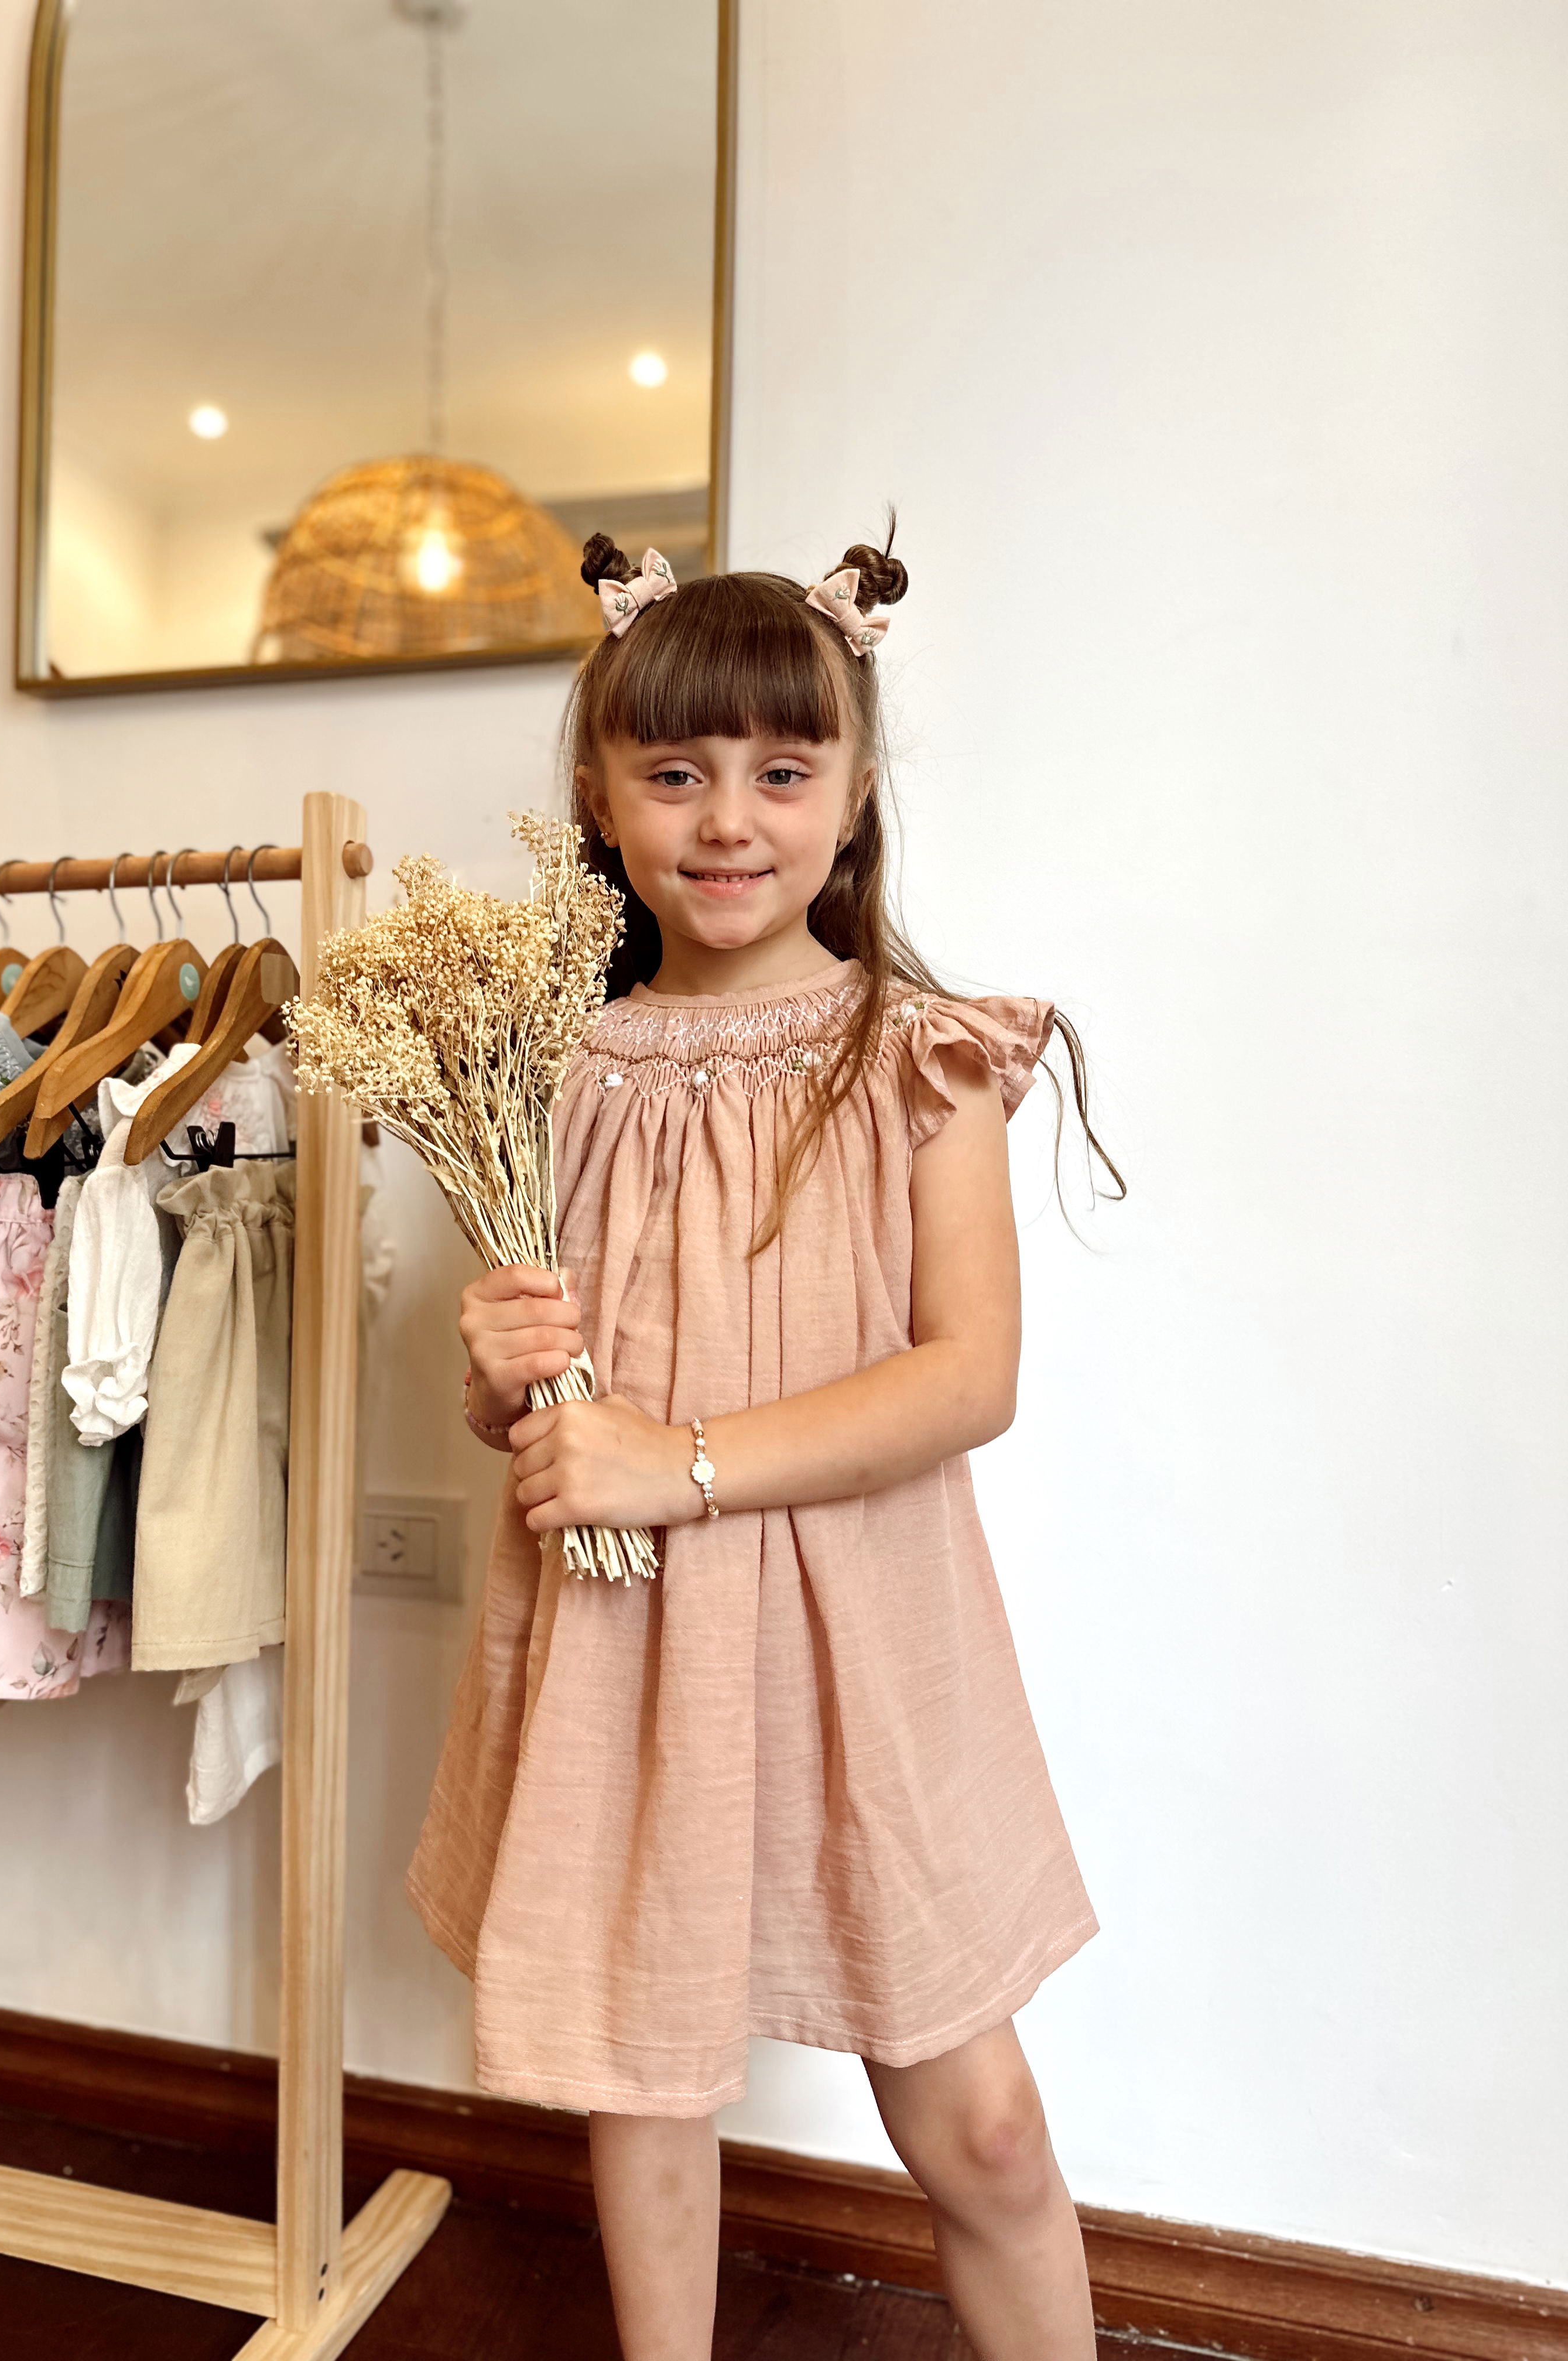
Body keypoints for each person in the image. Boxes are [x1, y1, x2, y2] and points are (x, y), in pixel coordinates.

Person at [405, 524, 1125, 2361]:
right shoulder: (542, 1072)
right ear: (601, 794)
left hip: (865, 1642)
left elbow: (969, 1378)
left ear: (855, 794)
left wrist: (687, 1463)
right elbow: (548, 1412)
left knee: (985, 2125)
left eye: (782, 772)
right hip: (627, 1647)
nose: (729, 819)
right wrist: (501, 1378)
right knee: (644, 2086)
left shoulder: (921, 1054)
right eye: (676, 773)